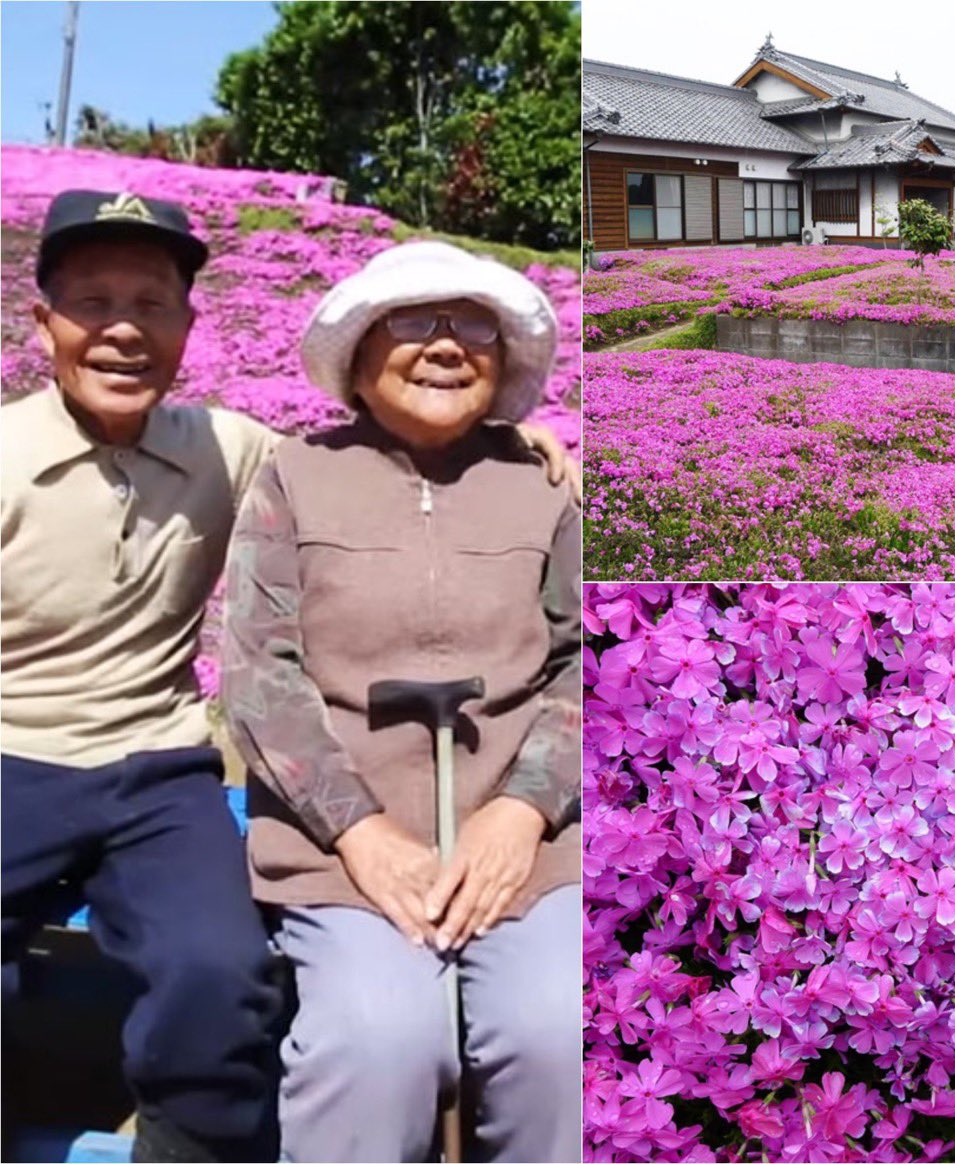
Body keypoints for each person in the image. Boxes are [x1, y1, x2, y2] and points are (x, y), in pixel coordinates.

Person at [0, 191, 575, 1164]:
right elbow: (268, 661)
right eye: (93, 303)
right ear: (43, 320)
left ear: (188, 327)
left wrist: (525, 440)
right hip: (14, 760)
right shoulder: (22, 455)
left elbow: (395, 463)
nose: (124, 329)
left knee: (218, 974)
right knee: (370, 1036)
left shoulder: (231, 450)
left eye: (153, 304)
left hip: (156, 769)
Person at [220, 241, 581, 1164]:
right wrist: (361, 833)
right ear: (360, 349)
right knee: (378, 1046)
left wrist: (522, 810)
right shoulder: (295, 476)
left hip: (528, 848)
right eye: (412, 321)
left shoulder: (545, 486)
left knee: (561, 1038)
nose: (445, 345)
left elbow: (589, 664)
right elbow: (261, 670)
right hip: (345, 847)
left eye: (471, 325)